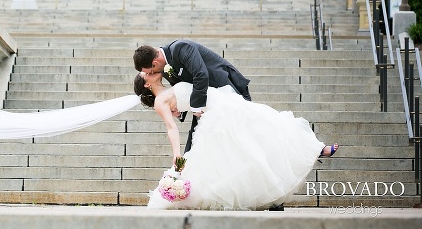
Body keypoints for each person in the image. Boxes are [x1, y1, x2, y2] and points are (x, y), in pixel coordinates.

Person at [134, 72, 338, 210]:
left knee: (263, 125)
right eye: (145, 72)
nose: (149, 70)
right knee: (258, 132)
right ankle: (313, 149)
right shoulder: (160, 101)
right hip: (217, 114)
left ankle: (313, 147)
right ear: (146, 83)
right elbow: (171, 128)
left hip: (221, 103)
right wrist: (176, 154)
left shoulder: (170, 83)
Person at [133, 41, 251, 152]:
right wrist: (179, 111)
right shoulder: (164, 69)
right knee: (197, 148)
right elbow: (183, 90)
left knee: (239, 140)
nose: (151, 74)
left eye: (149, 72)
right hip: (206, 104)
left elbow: (201, 75)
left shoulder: (181, 48)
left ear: (154, 64)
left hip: (226, 90)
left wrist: (195, 107)